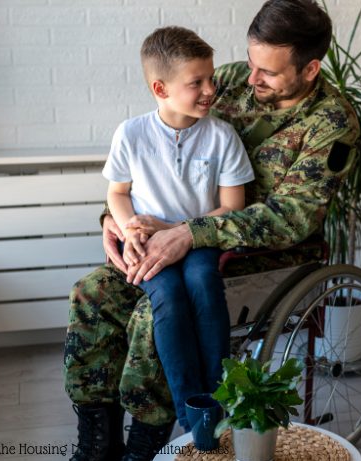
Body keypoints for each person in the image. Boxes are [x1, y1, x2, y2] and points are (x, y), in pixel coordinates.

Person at [23, 1, 359, 461]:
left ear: (310, 69)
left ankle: (144, 455)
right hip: (175, 237)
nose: (250, 79)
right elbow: (154, 161)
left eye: (268, 71)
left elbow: (290, 219)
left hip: (263, 256)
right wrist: (114, 223)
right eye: (250, 62)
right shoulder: (224, 82)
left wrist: (190, 232)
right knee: (91, 294)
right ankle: (97, 450)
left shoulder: (333, 124)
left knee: (148, 315)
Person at [103, 26, 254, 436]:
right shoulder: (131, 134)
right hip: (151, 245)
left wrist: (174, 227)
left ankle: (218, 398)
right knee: (167, 295)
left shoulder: (222, 136)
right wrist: (129, 226)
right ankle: (193, 418)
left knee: (203, 283)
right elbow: (118, 193)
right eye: (197, 82)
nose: (210, 89)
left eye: (211, 78)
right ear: (160, 87)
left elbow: (233, 208)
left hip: (202, 241)